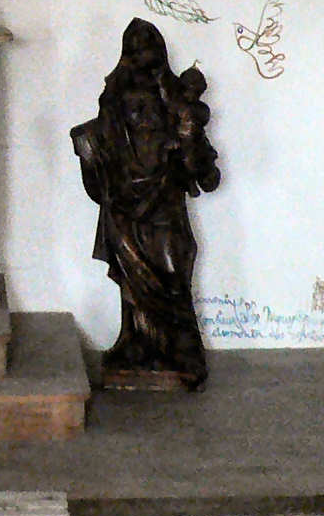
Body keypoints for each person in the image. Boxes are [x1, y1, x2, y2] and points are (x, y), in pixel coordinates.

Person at [72, 19, 219, 390]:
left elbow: (199, 165)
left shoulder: (173, 96)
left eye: (149, 49)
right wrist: (86, 144)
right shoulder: (114, 95)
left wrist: (186, 140)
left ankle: (182, 356)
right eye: (136, 50)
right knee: (132, 286)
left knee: (173, 271)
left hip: (164, 200)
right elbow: (101, 142)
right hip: (125, 202)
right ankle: (136, 346)